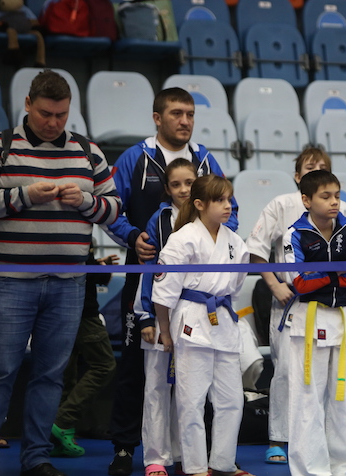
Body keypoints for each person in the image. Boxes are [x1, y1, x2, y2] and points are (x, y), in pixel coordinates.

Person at [0, 70, 121, 476]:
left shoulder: (87, 151)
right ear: (28, 104)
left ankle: (37, 458)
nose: (53, 122)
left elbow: (113, 209)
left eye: (61, 115)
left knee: (51, 376)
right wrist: (24, 195)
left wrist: (85, 202)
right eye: (46, 114)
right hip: (12, 281)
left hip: (69, 283)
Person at [106, 87, 239, 476]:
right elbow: (111, 208)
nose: (185, 121)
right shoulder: (135, 158)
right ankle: (126, 447)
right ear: (157, 117)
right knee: (138, 367)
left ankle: (199, 454)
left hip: (197, 285)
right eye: (177, 113)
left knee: (197, 378)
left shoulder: (205, 158)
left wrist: (214, 235)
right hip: (145, 271)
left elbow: (229, 209)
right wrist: (134, 237)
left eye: (190, 114)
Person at [245, 148, 346, 464]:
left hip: (330, 301)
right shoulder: (281, 205)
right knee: (287, 371)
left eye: (322, 167)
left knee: (328, 373)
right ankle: (279, 438)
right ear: (297, 176)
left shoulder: (342, 207)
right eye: (309, 166)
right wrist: (275, 285)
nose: (316, 170)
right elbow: (256, 250)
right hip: (290, 298)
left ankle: (322, 438)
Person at [151, 174, 250, 476]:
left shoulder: (235, 242)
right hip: (192, 320)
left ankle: (222, 463)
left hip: (224, 321)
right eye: (219, 200)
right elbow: (164, 293)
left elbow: (236, 286)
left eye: (229, 199)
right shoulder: (182, 238)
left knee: (232, 400)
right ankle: (195, 466)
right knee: (191, 400)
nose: (227, 206)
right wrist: (165, 332)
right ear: (199, 204)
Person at [282, 170, 346, 476]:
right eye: (326, 196)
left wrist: (324, 274)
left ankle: (343, 467)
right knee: (307, 399)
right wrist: (339, 273)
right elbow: (299, 282)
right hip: (310, 318)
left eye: (337, 195)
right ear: (306, 200)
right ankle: (310, 470)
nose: (334, 202)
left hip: (345, 319)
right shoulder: (295, 234)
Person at [137, 158, 197, 476]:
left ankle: (188, 454)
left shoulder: (208, 217)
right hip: (160, 307)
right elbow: (148, 270)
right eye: (176, 184)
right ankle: (156, 457)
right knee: (157, 386)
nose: (183, 190)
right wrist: (145, 316)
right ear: (166, 189)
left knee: (190, 389)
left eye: (189, 183)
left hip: (195, 312)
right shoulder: (159, 220)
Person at [50, 243, 119, 458]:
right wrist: (102, 268)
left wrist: (98, 265)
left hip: (56, 312)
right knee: (104, 366)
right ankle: (61, 421)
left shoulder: (56, 238)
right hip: (84, 313)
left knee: (66, 375)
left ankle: (62, 437)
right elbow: (94, 276)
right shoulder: (78, 234)